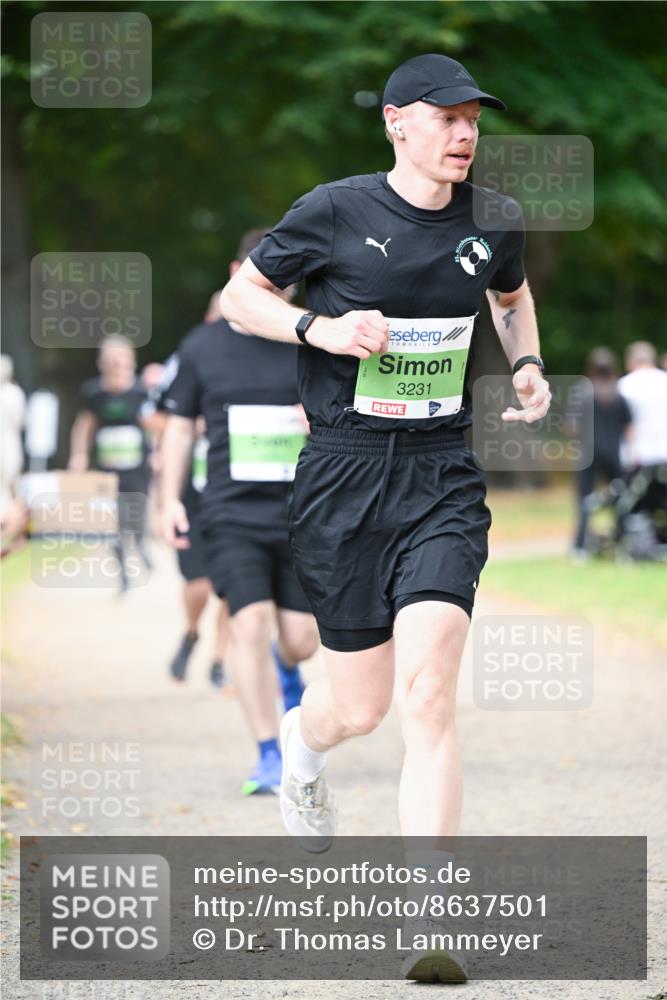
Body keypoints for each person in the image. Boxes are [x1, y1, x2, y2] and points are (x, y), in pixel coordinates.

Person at [220, 53, 550, 983]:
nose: (463, 134)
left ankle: (429, 920)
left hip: (442, 475)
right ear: (397, 123)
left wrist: (524, 363)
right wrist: (316, 329)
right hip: (345, 475)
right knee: (354, 710)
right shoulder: (334, 209)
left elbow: (510, 298)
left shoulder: (493, 220)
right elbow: (242, 296)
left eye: (473, 120)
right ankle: (299, 747)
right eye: (445, 118)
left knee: (429, 694)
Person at [161, 229, 319, 796]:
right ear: (238, 272)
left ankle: (290, 670)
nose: (277, 286)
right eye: (265, 274)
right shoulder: (202, 346)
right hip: (229, 514)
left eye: (287, 278)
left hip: (303, 513)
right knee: (248, 624)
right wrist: (169, 500)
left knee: (301, 641)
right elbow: (178, 429)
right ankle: (269, 753)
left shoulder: (312, 338)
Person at [145, 352, 230, 689]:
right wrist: (186, 424)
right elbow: (149, 415)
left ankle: (220, 661)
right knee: (199, 584)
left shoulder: (262, 364)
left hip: (233, 501)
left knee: (232, 591)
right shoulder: (191, 359)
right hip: (190, 500)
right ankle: (192, 634)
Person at [68, 335, 152, 593]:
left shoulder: (141, 392)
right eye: (111, 361)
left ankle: (140, 545)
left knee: (135, 519)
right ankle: (123, 574)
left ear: (131, 362)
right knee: (111, 522)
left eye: (121, 361)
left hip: (137, 468)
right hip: (107, 468)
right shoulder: (94, 393)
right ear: (101, 363)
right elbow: (84, 426)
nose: (116, 366)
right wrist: (79, 455)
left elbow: (155, 426)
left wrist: (158, 452)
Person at [569, 347, 633, 558]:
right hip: (613, 454)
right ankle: (623, 543)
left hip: (588, 454)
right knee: (621, 499)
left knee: (584, 500)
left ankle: (580, 547)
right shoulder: (619, 393)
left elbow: (572, 426)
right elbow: (629, 428)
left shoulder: (583, 390)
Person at [617, 340, 667, 530]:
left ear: (631, 361)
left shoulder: (624, 386)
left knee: (635, 505)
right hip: (664, 454)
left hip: (637, 456)